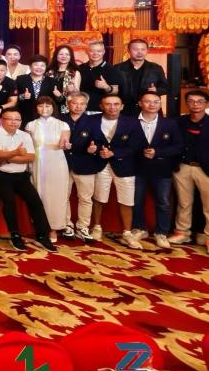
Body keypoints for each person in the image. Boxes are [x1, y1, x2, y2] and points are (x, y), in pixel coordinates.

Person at [0, 108, 57, 252]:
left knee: (35, 201)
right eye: (10, 119)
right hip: (0, 175)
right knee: (9, 201)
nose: (14, 122)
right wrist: (16, 152)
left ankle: (42, 236)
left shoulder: (24, 135)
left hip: (20, 175)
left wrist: (6, 157)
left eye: (17, 119)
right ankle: (15, 235)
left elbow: (30, 157)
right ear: (2, 120)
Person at [87, 92, 143, 248]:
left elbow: (136, 146)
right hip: (100, 164)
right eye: (108, 104)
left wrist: (114, 153)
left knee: (127, 200)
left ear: (122, 106)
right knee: (99, 197)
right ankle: (96, 227)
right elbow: (87, 140)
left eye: (116, 104)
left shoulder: (132, 122)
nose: (112, 107)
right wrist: (94, 149)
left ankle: (127, 232)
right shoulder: (91, 120)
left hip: (125, 166)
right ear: (101, 106)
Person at [131, 91, 181, 249]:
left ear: (160, 104)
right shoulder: (131, 122)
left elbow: (178, 146)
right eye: (147, 101)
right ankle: (140, 228)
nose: (152, 105)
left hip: (161, 169)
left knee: (163, 202)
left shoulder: (170, 124)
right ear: (140, 103)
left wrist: (158, 152)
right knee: (137, 201)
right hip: (137, 168)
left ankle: (161, 232)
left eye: (156, 102)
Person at [25, 96, 72, 242]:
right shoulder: (30, 125)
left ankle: (54, 229)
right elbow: (27, 145)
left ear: (53, 108)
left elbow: (65, 141)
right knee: (39, 195)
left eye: (47, 106)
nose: (44, 109)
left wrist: (66, 145)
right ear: (36, 108)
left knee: (57, 196)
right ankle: (41, 227)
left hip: (57, 162)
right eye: (40, 106)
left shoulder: (62, 124)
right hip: (37, 162)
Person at [170, 89, 209, 252]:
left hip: (205, 169)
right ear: (187, 104)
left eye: (200, 101)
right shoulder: (178, 121)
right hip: (183, 167)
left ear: (206, 104)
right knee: (184, 203)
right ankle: (182, 232)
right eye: (191, 101)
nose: (195, 104)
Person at [63, 92, 102, 242]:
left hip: (85, 163)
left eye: (82, 104)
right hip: (64, 163)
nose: (78, 106)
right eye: (74, 103)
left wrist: (94, 148)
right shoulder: (60, 119)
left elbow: (98, 140)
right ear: (68, 105)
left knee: (85, 198)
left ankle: (82, 227)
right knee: (63, 196)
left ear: (86, 106)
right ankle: (66, 225)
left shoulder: (93, 121)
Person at [113, 38, 168, 117]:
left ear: (147, 51)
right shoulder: (118, 68)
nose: (140, 52)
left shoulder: (155, 68)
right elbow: (112, 90)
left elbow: (166, 88)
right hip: (125, 110)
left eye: (143, 49)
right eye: (135, 49)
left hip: (150, 110)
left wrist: (156, 90)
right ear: (128, 51)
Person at [79, 41, 124, 114]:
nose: (95, 54)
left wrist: (106, 87)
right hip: (80, 109)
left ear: (103, 52)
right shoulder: (80, 68)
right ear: (86, 52)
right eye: (92, 51)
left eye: (99, 51)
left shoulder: (112, 70)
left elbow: (115, 92)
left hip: (100, 110)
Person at [15, 55, 57, 125]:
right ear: (30, 66)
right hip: (25, 115)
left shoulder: (52, 81)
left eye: (42, 65)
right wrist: (23, 96)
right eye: (36, 65)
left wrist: (58, 96)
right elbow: (14, 98)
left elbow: (57, 101)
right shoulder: (21, 79)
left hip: (45, 116)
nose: (39, 68)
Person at [50, 45, 81, 115]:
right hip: (50, 105)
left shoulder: (74, 73)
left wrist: (72, 90)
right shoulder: (49, 72)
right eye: (61, 54)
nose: (64, 56)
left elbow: (77, 93)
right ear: (56, 56)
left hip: (66, 106)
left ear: (71, 57)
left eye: (67, 54)